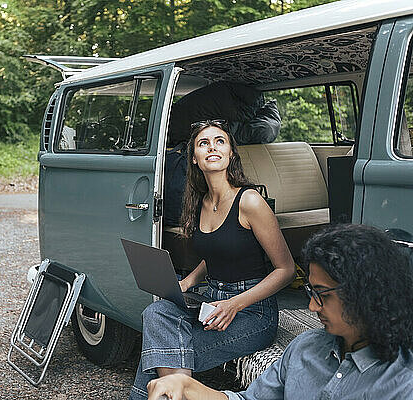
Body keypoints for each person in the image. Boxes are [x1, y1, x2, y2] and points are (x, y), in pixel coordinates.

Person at [146, 224, 413, 400]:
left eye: (321, 295)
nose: (311, 307)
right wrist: (187, 386)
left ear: (366, 294)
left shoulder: (402, 383)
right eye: (310, 293)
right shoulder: (306, 348)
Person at [129, 119, 296, 399]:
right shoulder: (200, 203)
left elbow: (286, 270)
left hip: (252, 312)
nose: (212, 147)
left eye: (220, 141)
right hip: (212, 301)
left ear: (231, 153)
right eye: (203, 143)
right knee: (156, 313)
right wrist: (187, 282)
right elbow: (216, 252)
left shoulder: (250, 201)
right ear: (194, 158)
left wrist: (235, 304)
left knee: (159, 358)